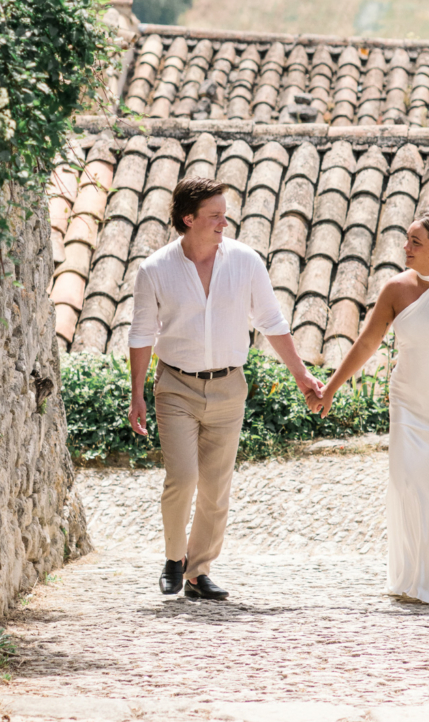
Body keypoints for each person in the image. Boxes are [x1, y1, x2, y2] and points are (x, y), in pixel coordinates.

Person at [128, 176, 324, 600]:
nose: (224, 222)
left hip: (229, 386)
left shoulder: (246, 261)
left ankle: (198, 573)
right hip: (175, 386)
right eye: (215, 215)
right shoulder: (155, 270)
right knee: (182, 477)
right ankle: (173, 557)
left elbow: (272, 322)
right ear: (189, 219)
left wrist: (302, 375)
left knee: (216, 486)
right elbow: (142, 333)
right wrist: (137, 394)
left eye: (224, 214)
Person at [316, 209, 429, 605]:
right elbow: (366, 344)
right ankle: (407, 577)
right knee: (407, 484)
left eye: (415, 242)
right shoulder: (395, 289)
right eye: (406, 240)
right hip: (407, 401)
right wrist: (331, 388)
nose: (405, 247)